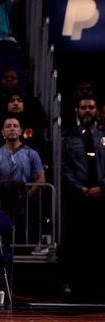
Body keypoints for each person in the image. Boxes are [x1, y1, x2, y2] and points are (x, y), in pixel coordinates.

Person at [61, 97, 105, 301]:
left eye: (91, 107)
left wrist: (101, 187)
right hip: (78, 198)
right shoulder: (68, 137)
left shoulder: (104, 135)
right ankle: (78, 288)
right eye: (83, 107)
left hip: (102, 197)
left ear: (97, 110)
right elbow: (64, 166)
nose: (87, 111)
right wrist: (81, 188)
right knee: (78, 243)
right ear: (76, 110)